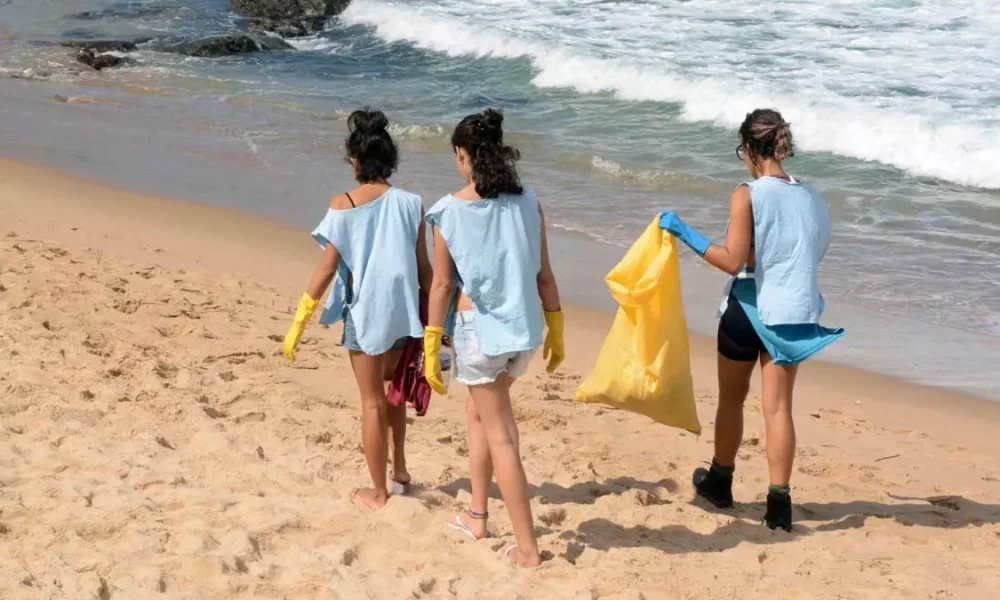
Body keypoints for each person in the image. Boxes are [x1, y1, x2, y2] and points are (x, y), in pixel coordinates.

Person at [659, 108, 843, 531]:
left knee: (731, 400)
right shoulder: (812, 195)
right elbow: (806, 253)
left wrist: (683, 231)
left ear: (748, 150)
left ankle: (720, 481)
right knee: (779, 410)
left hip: (748, 310)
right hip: (794, 315)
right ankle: (779, 504)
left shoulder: (748, 193)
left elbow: (731, 259)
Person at [422, 109, 564, 567]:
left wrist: (431, 341)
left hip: (479, 335)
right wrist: (556, 326)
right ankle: (477, 514)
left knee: (501, 435)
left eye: (459, 157)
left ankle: (528, 549)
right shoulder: (530, 202)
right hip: (522, 332)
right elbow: (544, 276)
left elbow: (443, 285)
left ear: (464, 156)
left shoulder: (448, 211)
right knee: (479, 417)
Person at [283, 107, 433, 510]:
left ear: (355, 160)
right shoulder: (412, 203)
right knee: (394, 395)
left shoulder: (344, 203)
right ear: (390, 159)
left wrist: (299, 322)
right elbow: (425, 270)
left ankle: (379, 491)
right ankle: (400, 470)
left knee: (371, 402)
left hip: (366, 315)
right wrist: (437, 324)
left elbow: (326, 270)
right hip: (404, 314)